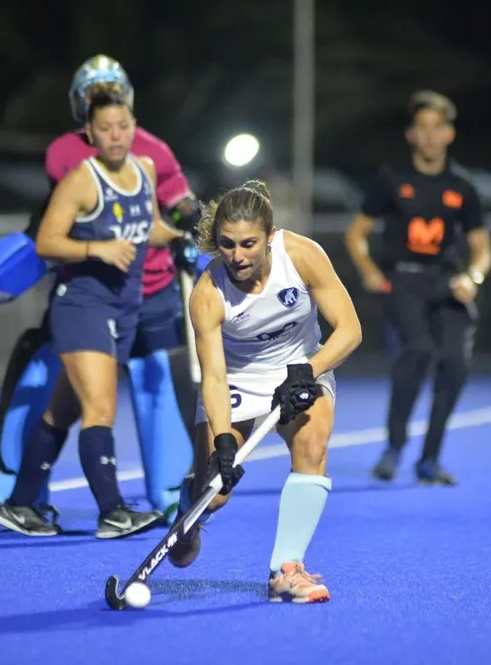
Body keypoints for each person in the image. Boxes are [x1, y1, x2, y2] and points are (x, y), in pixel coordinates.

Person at [0, 55, 203, 526]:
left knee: (65, 410)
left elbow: (155, 220)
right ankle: (111, 512)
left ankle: (25, 501)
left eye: (122, 123)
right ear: (88, 124)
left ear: (132, 119)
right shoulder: (74, 169)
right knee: (96, 403)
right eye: (103, 121)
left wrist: (197, 234)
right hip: (85, 302)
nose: (115, 132)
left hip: (137, 302)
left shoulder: (148, 165)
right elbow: (49, 236)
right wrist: (96, 251)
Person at [167, 180, 362, 604]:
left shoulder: (303, 256)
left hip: (301, 366)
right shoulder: (208, 294)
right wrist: (221, 441)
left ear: (270, 236)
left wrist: (307, 371)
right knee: (214, 495)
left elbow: (349, 331)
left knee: (313, 445)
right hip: (236, 381)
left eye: (249, 244)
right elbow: (214, 377)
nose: (237, 256)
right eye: (227, 244)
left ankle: (285, 570)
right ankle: (190, 501)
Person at [344, 90, 491, 486]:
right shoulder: (392, 182)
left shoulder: (463, 187)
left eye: (437, 127)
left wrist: (472, 279)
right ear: (411, 134)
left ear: (449, 134)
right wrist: (370, 271)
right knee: (418, 351)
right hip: (404, 280)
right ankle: (393, 446)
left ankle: (430, 459)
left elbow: (482, 248)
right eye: (421, 127)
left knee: (455, 363)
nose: (429, 136)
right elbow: (356, 234)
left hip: (447, 282)